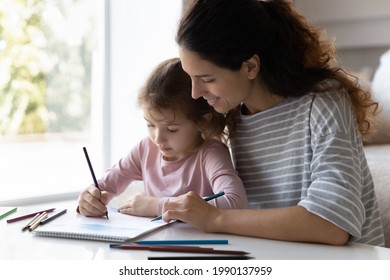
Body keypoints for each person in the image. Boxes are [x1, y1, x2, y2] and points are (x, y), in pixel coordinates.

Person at [161, 0, 385, 246]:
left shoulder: (323, 101)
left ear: (250, 66)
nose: (195, 92)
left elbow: (333, 225)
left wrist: (216, 218)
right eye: (191, 77)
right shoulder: (233, 110)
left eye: (206, 78)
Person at [77, 58, 249, 218]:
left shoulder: (210, 154)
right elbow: (106, 184)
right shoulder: (146, 149)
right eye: (150, 125)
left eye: (171, 129)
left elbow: (237, 203)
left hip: (197, 248)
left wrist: (159, 206)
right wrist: (90, 197)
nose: (158, 139)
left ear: (202, 122)